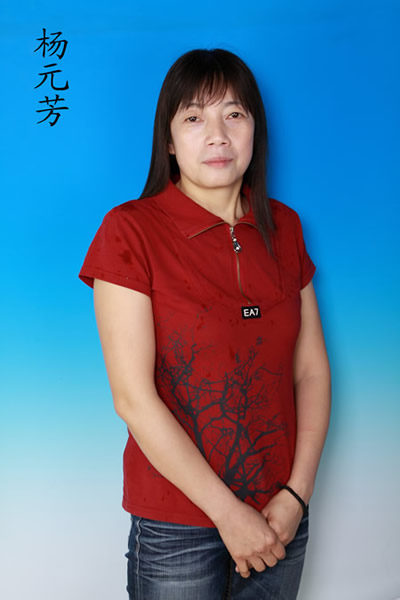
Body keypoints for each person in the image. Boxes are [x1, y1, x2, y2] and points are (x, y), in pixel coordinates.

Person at [79, 48, 331, 600]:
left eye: (234, 114)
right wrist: (228, 515)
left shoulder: (285, 227)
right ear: (169, 141)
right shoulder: (130, 231)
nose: (217, 135)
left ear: (255, 129)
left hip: (280, 514)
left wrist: (297, 495)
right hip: (178, 526)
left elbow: (310, 371)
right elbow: (132, 397)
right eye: (194, 117)